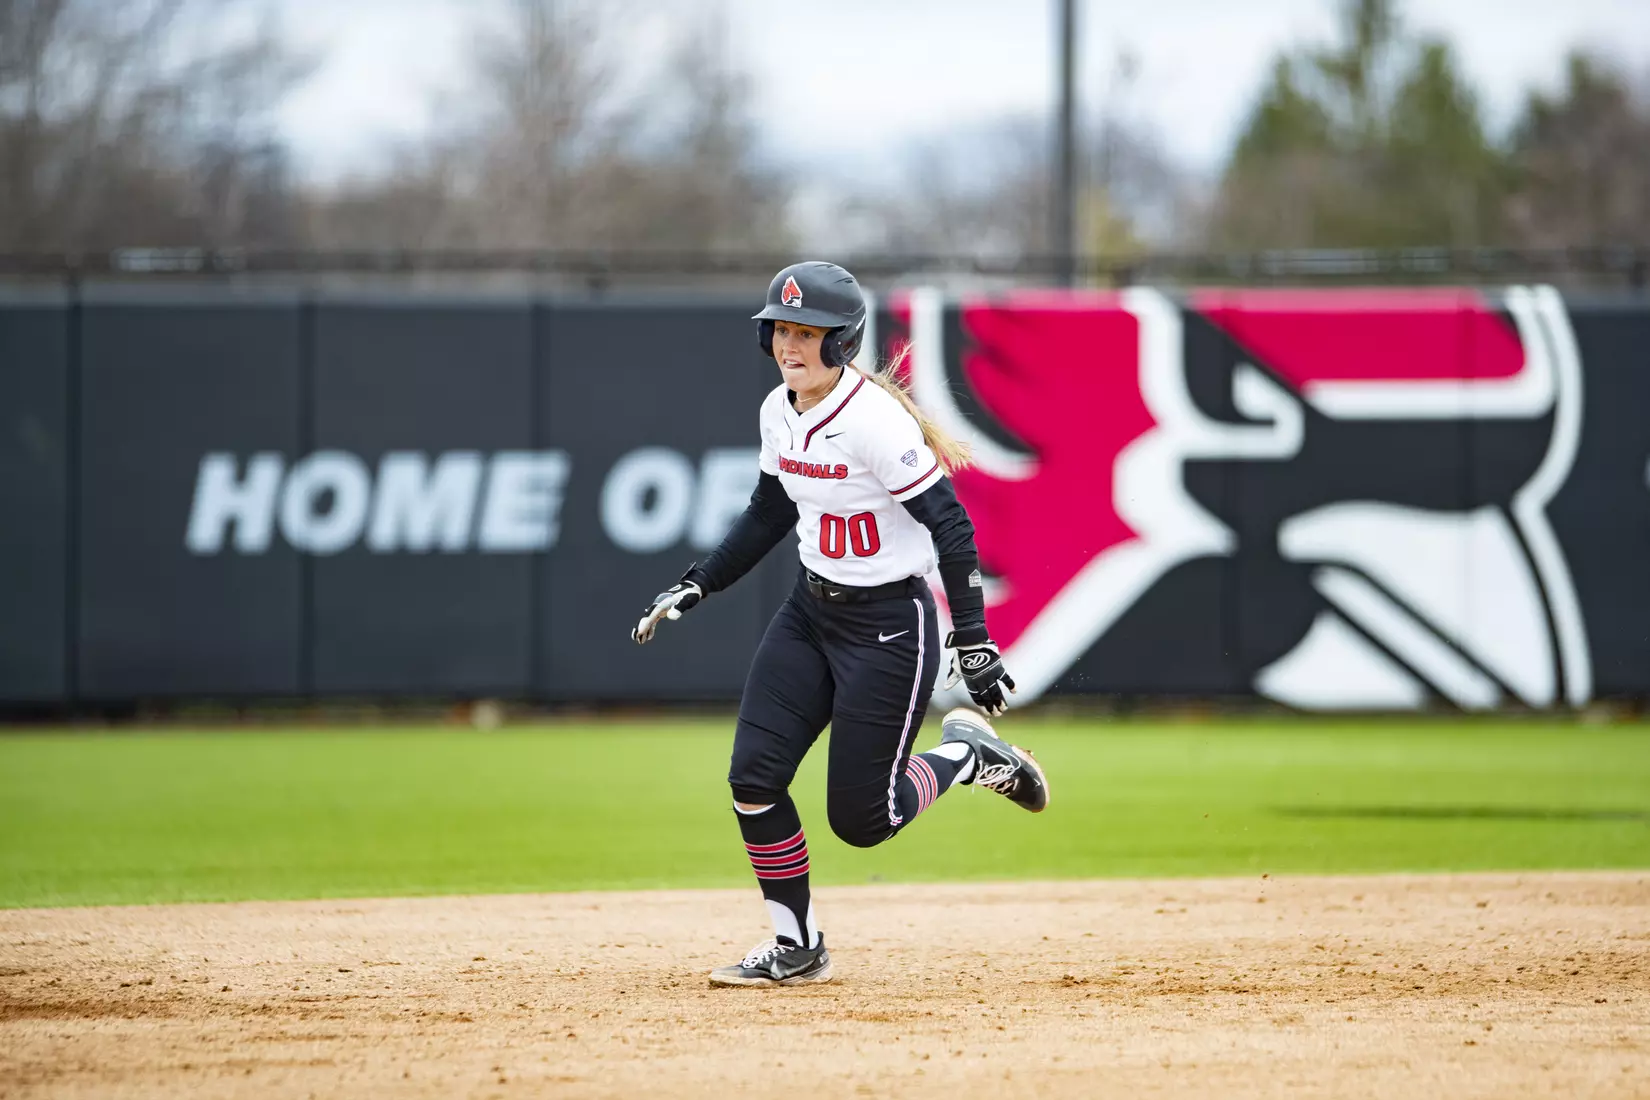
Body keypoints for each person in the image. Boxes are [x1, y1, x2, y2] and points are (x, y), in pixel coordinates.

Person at [632, 261, 1048, 987]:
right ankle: (797, 946)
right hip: (810, 613)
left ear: (843, 340)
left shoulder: (873, 421)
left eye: (808, 333)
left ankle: (973, 759)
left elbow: (950, 526)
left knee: (865, 821)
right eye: (782, 331)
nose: (791, 347)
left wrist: (974, 637)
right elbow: (769, 511)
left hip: (890, 625)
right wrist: (701, 581)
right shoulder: (778, 409)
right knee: (753, 780)